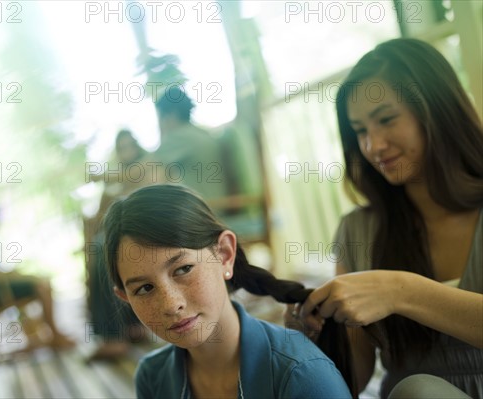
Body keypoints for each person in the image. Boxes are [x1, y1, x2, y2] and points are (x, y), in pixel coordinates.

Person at [298, 38, 483, 398]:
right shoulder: (359, 230)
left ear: (437, 108)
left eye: (386, 119)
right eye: (361, 131)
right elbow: (351, 376)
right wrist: (312, 344)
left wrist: (400, 291)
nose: (373, 146)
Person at [101, 184, 351, 398]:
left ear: (224, 255)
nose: (170, 304)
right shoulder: (152, 377)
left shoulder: (301, 376)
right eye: (145, 288)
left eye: (183, 269)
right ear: (125, 298)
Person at [0, 198, 76, 349]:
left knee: (39, 283)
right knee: (41, 286)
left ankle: (43, 333)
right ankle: (54, 334)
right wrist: (26, 277)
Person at [85, 129, 148, 361]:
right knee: (100, 248)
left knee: (104, 249)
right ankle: (128, 327)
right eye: (121, 147)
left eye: (129, 145)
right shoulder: (116, 184)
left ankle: (114, 337)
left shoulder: (147, 165)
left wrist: (102, 177)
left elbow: (130, 178)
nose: (126, 151)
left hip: (148, 232)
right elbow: (100, 216)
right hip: (123, 235)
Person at [149, 86, 229, 203]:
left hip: (204, 211)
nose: (160, 124)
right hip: (215, 206)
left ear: (171, 115)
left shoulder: (179, 137)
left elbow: (140, 170)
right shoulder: (198, 133)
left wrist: (113, 177)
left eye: (161, 118)